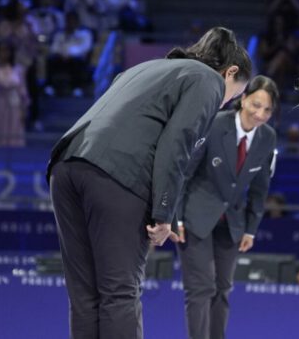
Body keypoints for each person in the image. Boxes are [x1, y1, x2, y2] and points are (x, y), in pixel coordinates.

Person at [47, 27, 251, 339]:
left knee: (85, 296)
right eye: (233, 96)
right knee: (119, 293)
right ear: (230, 72)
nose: (225, 104)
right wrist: (163, 213)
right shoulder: (208, 79)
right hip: (116, 174)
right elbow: (177, 143)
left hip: (66, 165)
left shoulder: (149, 67)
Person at [175, 75, 279, 339]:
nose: (260, 114)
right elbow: (185, 172)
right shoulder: (213, 124)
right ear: (242, 99)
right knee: (201, 288)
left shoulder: (267, 137)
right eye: (256, 105)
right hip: (195, 217)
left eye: (267, 109)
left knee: (222, 289)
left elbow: (260, 187)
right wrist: (175, 217)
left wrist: (251, 229)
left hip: (232, 223)